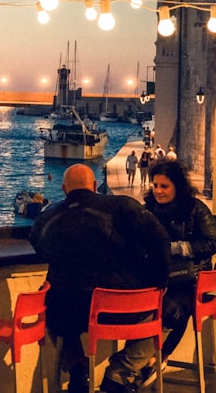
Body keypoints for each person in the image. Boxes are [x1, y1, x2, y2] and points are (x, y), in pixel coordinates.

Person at [30, 164, 170, 393]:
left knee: (48, 303)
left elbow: (39, 247)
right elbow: (160, 239)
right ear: (95, 186)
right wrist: (160, 281)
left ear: (64, 189)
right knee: (165, 310)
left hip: (72, 310)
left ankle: (76, 365)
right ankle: (121, 370)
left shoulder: (47, 218)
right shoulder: (122, 206)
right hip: (126, 308)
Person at [138, 162, 216, 387]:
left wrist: (176, 248)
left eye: (164, 186)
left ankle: (156, 358)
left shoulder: (195, 209)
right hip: (161, 277)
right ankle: (141, 362)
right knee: (142, 304)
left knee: (176, 307)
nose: (158, 190)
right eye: (155, 185)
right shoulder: (148, 210)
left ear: (178, 186)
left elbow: (211, 242)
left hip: (192, 278)